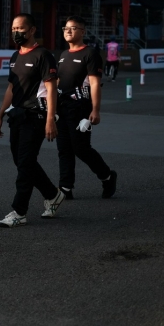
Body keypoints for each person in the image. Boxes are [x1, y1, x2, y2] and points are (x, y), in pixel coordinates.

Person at [0, 13, 65, 228]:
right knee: (22, 161)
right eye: (14, 29)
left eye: (21, 29)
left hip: (37, 116)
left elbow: (51, 89)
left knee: (25, 163)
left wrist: (50, 120)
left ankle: (19, 211)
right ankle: (52, 194)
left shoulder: (43, 55)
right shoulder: (15, 56)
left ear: (32, 30)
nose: (16, 32)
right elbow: (11, 88)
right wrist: (0, 114)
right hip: (17, 115)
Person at [56, 16, 117, 200]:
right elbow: (58, 82)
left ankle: (107, 176)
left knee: (81, 148)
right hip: (62, 108)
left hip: (80, 108)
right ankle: (66, 188)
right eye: (65, 28)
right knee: (64, 149)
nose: (68, 31)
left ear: (82, 31)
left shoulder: (90, 54)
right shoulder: (63, 55)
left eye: (73, 28)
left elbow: (95, 84)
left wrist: (95, 110)